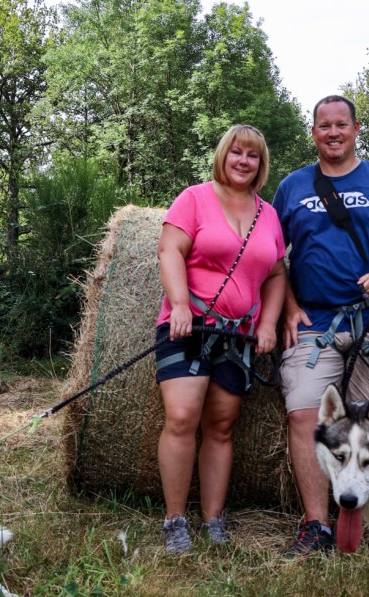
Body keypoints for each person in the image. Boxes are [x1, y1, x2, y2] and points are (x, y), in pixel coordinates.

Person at [272, 95, 369, 555]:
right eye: (324, 126)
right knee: (305, 413)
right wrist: (287, 306)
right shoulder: (293, 186)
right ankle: (317, 526)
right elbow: (273, 255)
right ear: (314, 132)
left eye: (341, 124)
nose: (333, 132)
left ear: (356, 128)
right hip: (314, 323)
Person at [155, 124, 286, 555]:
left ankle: (214, 520)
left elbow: (276, 273)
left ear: (260, 164)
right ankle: (175, 521)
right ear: (223, 156)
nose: (244, 160)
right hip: (187, 327)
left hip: (238, 337)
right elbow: (169, 250)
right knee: (181, 417)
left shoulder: (268, 215)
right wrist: (177, 305)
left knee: (223, 426)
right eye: (237, 152)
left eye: (252, 155)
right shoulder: (193, 198)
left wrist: (267, 324)